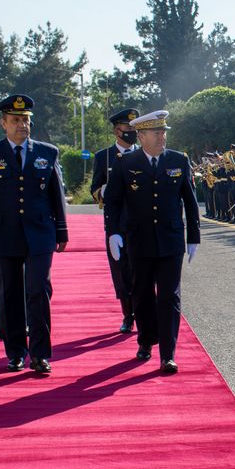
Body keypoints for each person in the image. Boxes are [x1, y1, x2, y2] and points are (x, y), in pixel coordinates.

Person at [0, 94, 69, 374]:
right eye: (15, 120)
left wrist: (61, 230)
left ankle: (40, 355)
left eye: (25, 120)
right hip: (4, 234)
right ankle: (15, 352)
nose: (22, 125)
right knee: (9, 293)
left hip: (40, 233)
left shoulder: (47, 152)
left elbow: (56, 193)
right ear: (3, 123)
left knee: (39, 291)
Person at [103, 110, 200, 373]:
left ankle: (168, 354)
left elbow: (190, 201)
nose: (162, 137)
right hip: (139, 239)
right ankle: (146, 340)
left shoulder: (179, 160)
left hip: (170, 240)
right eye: (156, 132)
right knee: (142, 293)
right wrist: (113, 233)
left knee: (169, 296)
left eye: (164, 132)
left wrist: (194, 237)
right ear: (141, 136)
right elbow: (113, 201)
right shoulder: (125, 163)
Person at [90, 107, 140, 333]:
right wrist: (105, 190)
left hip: (141, 221)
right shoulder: (104, 157)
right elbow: (94, 190)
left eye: (134, 127)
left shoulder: (144, 152)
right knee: (121, 270)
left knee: (142, 270)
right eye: (127, 127)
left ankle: (143, 312)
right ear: (116, 131)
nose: (131, 131)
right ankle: (128, 314)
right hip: (117, 222)